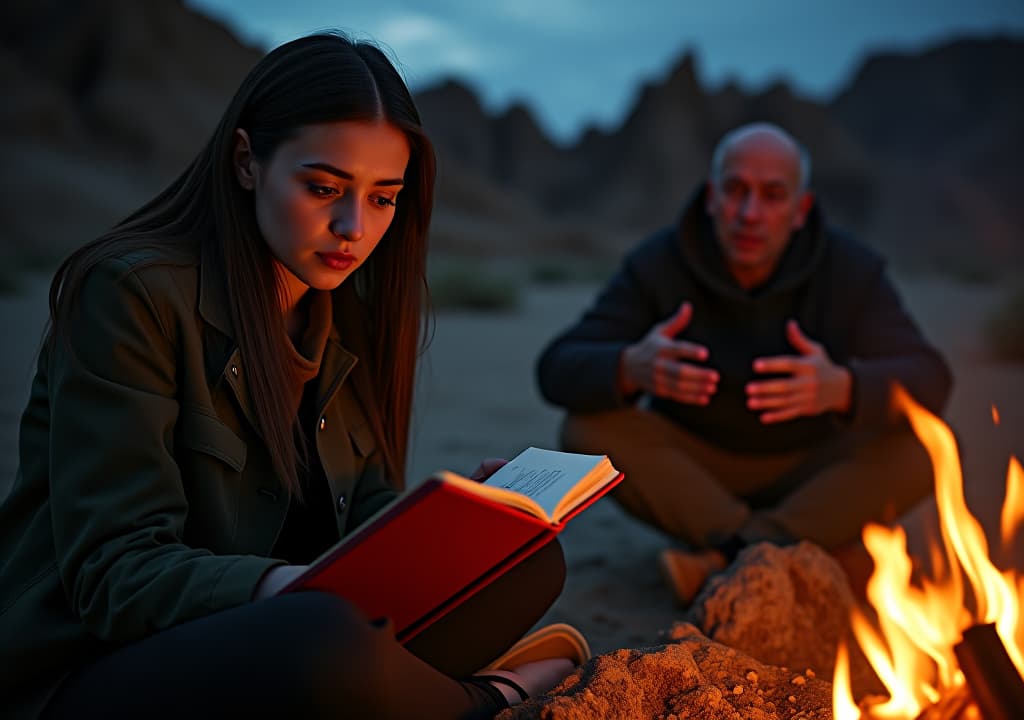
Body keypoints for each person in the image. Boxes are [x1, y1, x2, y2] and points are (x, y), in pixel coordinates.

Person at [0, 32, 580, 719]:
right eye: (323, 187)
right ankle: (484, 699)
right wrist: (285, 587)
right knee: (321, 638)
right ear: (247, 162)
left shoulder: (348, 316)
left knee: (526, 564)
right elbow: (116, 573)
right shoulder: (131, 296)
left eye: (383, 198)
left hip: (282, 633)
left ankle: (404, 692)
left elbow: (358, 526)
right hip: (96, 664)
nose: (351, 228)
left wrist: (449, 522)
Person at [536, 122, 953, 605]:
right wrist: (631, 367)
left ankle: (731, 557)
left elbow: (931, 378)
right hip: (698, 477)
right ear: (712, 197)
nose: (749, 214)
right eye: (735, 190)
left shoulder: (850, 269)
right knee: (587, 431)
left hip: (815, 472)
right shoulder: (658, 264)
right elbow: (556, 367)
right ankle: (798, 552)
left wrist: (844, 387)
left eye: (773, 195)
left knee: (927, 448)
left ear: (801, 211)